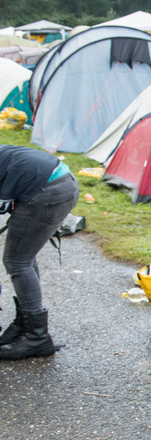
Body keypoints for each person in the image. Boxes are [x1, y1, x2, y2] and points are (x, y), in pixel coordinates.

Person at [0, 146, 78, 360]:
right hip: (64, 182)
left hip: (48, 190)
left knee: (17, 261)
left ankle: (37, 338)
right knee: (24, 256)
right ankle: (26, 324)